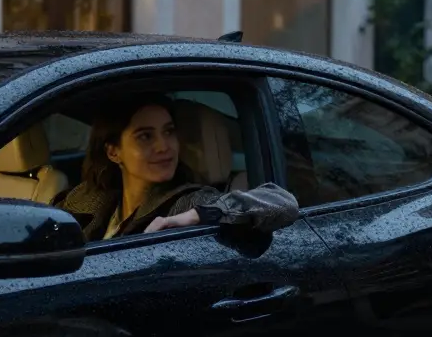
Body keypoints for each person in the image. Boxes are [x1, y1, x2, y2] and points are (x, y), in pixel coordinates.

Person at [56, 93, 299, 241]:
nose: (164, 147)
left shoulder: (189, 201)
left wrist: (197, 216)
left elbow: (283, 203)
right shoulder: (89, 197)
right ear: (113, 152)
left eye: (169, 132)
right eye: (145, 136)